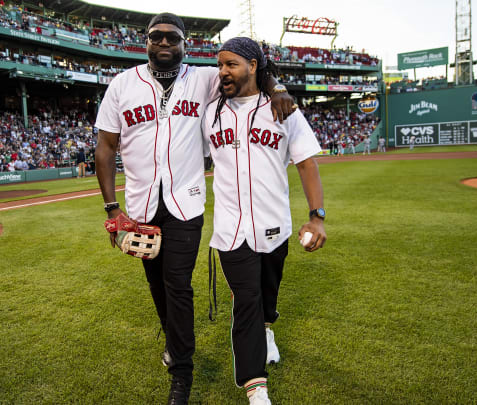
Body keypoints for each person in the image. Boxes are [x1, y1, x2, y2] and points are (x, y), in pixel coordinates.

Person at [94, 13, 295, 405]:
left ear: (186, 43)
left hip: (185, 201)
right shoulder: (122, 85)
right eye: (157, 37)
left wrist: (279, 87)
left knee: (178, 284)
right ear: (146, 41)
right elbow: (105, 147)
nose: (164, 43)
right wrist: (112, 209)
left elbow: (254, 70)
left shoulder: (203, 77)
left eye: (173, 37)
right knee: (156, 284)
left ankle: (181, 374)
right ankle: (173, 341)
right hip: (140, 202)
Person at [202, 37, 327, 405]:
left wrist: (316, 217)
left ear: (253, 66)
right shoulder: (209, 113)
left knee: (266, 299)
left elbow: (306, 162)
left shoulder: (283, 110)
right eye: (220, 64)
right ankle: (256, 387)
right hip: (230, 229)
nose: (222, 71)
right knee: (246, 301)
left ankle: (267, 329)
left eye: (231, 64)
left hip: (274, 226)